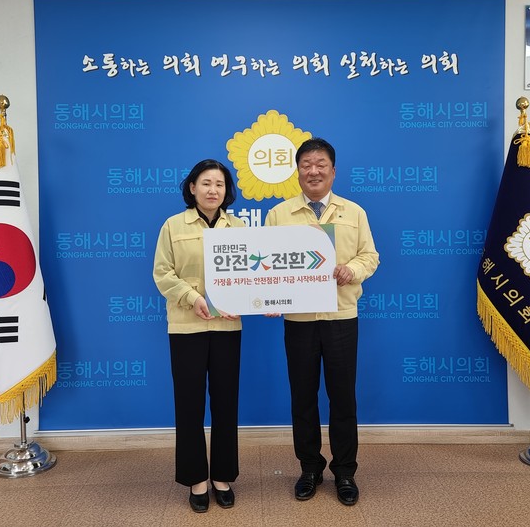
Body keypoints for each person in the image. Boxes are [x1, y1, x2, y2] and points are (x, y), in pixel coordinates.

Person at [264, 138, 379, 506]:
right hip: (298, 320)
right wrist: (268, 296)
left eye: (321, 164)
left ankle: (345, 471)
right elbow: (266, 265)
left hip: (341, 317)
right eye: (306, 165)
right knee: (303, 397)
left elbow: (370, 256)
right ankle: (310, 468)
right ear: (297, 171)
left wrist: (352, 270)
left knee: (343, 398)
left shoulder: (354, 212)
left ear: (333, 170)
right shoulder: (279, 214)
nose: (313, 171)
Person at [153, 159, 245, 513]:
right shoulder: (173, 226)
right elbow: (163, 273)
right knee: (189, 405)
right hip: (186, 326)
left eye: (219, 184)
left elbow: (250, 276)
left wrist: (251, 299)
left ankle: (222, 476)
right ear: (192, 188)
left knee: (225, 403)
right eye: (206, 183)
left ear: (226, 191)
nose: (212, 190)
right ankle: (196, 480)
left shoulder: (238, 228)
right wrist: (193, 298)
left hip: (227, 327)